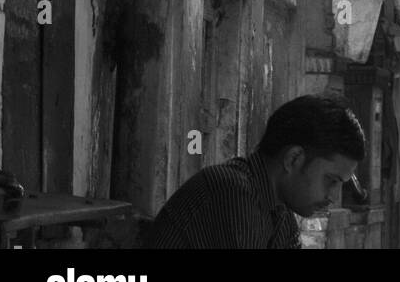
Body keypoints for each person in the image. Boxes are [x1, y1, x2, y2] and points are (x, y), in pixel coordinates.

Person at [148, 94, 366, 248]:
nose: (333, 197)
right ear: (294, 159)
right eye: (331, 181)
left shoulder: (279, 213)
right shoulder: (232, 192)